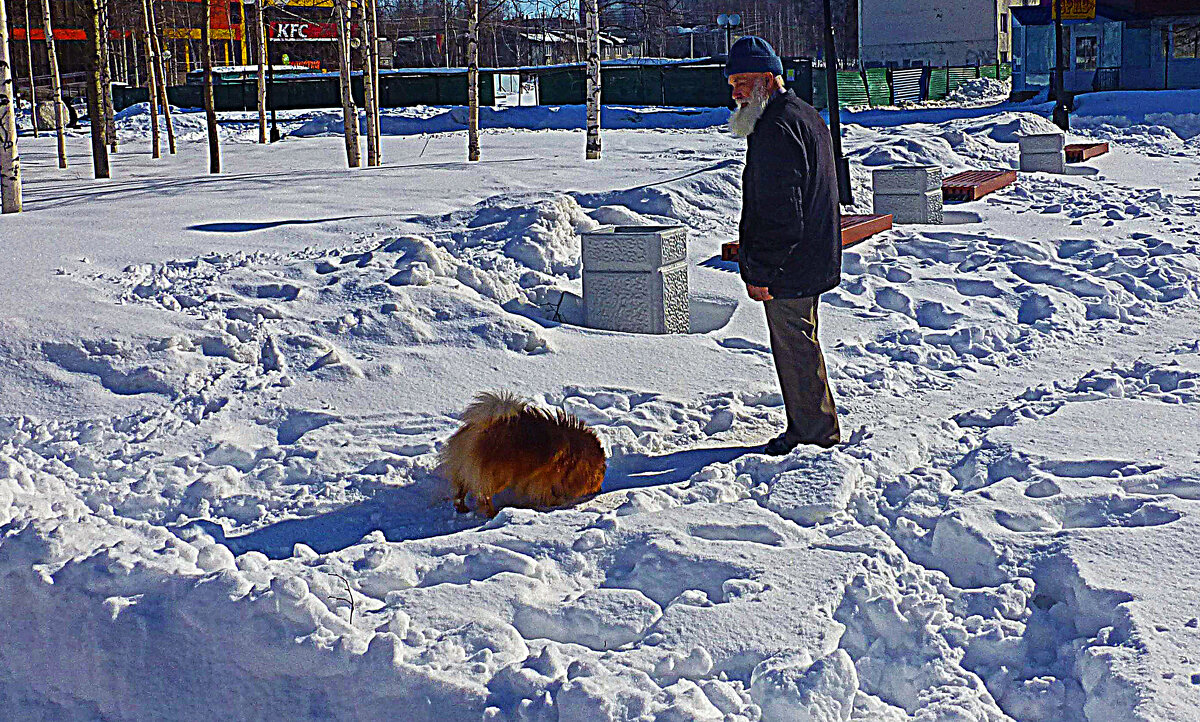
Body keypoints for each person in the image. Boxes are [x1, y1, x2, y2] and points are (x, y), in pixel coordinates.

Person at [725, 36, 842, 455]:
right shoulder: (798, 115)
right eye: (732, 83)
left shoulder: (776, 127)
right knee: (801, 345)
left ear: (770, 79)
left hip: (791, 264)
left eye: (743, 81)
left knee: (795, 350)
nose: (735, 91)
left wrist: (761, 272)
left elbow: (781, 212)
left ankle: (813, 434)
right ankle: (814, 425)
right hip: (807, 256)